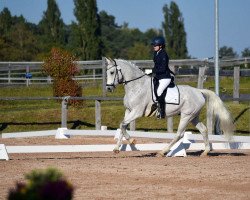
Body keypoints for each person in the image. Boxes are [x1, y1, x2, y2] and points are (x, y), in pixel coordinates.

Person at [151, 36, 172, 119]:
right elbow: (156, 66)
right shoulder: (156, 54)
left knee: (159, 91)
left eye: (155, 45)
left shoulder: (163, 54)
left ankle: (162, 112)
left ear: (160, 46)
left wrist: (154, 72)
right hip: (158, 77)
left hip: (165, 77)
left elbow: (163, 68)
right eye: (153, 45)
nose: (154, 47)